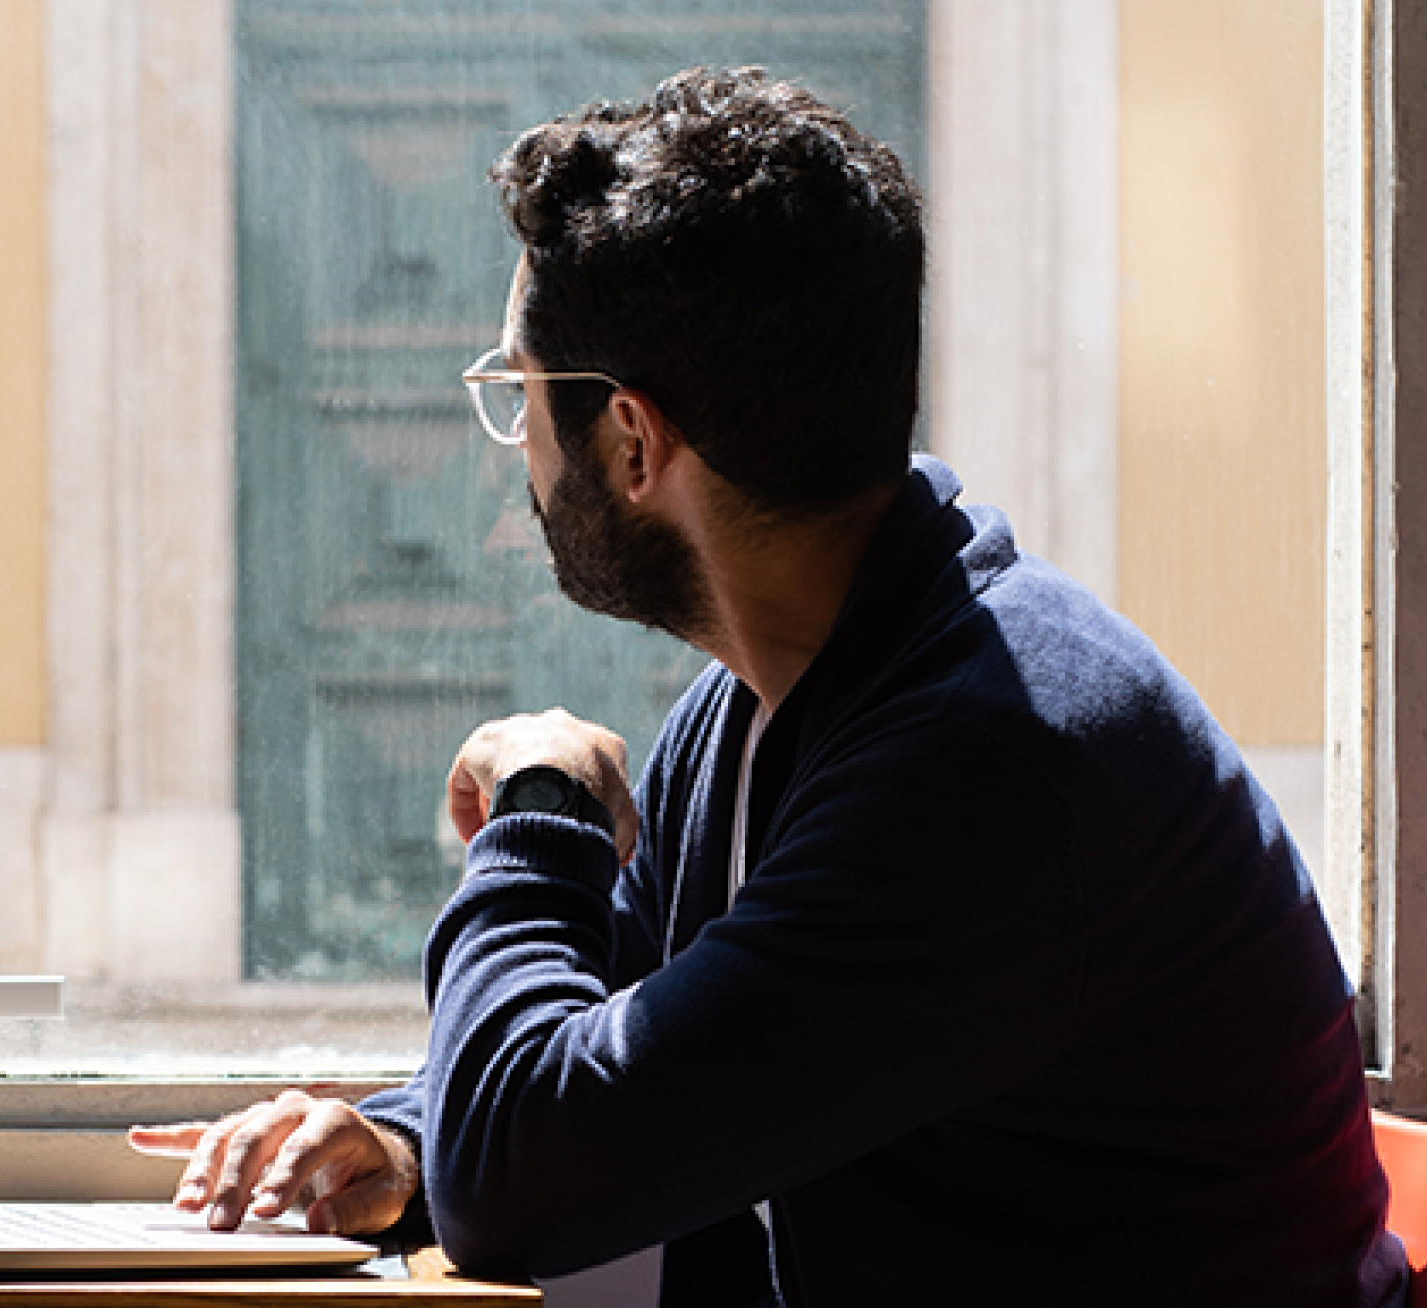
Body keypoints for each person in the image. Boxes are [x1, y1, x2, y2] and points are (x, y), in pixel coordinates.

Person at [129, 66, 1408, 1307]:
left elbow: (535, 1176)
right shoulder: (793, 690)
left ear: (632, 440)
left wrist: (537, 812)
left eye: (518, 395)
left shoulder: (988, 766)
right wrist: (404, 1146)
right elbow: (646, 1057)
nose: (514, 446)